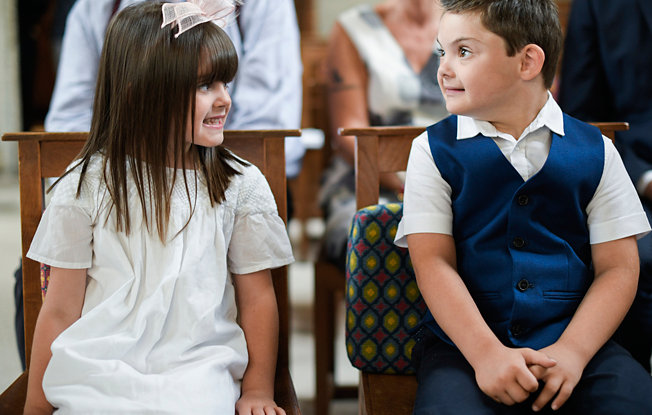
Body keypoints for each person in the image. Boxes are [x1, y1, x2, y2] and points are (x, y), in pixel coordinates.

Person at [22, 2, 293, 414]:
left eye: (225, 83)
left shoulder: (240, 185)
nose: (225, 99)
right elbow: (59, 310)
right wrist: (36, 407)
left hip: (198, 369)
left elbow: (258, 301)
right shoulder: (86, 184)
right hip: (98, 369)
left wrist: (257, 390)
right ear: (143, 90)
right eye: (206, 86)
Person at [394, 0, 652, 413]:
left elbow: (619, 268)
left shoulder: (598, 151)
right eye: (442, 51)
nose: (442, 69)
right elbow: (433, 264)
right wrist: (486, 356)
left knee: (634, 402)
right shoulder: (430, 150)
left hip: (578, 343)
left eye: (464, 52)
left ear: (528, 61)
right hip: (465, 348)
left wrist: (573, 351)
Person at [558, 0, 652, 372]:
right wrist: (643, 178)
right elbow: (583, 118)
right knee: (635, 260)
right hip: (637, 179)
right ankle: (633, 383)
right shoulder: (600, 5)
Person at [319, 0, 448, 267]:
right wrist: (411, 185)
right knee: (375, 235)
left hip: (454, 179)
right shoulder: (354, 28)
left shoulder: (470, 22)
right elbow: (348, 135)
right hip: (368, 178)